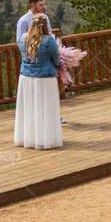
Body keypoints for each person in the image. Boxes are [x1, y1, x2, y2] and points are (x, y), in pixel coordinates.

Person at [14, 14, 63, 149]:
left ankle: (27, 138)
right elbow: (57, 60)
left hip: (26, 78)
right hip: (44, 79)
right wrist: (60, 66)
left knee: (29, 109)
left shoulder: (23, 38)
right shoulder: (48, 41)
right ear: (45, 26)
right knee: (45, 109)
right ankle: (45, 139)